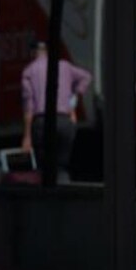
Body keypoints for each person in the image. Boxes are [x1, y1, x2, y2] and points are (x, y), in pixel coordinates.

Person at [20, 41, 92, 180]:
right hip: (64, 120)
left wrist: (27, 136)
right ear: (47, 51)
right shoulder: (64, 66)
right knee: (62, 164)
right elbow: (86, 76)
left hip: (42, 121)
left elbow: (29, 107)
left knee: (44, 165)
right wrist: (73, 98)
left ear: (32, 53)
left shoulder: (29, 71)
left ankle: (47, 196)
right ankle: (64, 192)